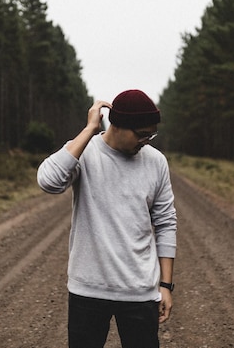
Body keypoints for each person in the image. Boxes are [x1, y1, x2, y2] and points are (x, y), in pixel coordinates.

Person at [37, 89, 177, 348]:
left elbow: (166, 222)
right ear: (118, 125)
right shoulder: (85, 153)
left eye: (151, 134)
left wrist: (165, 285)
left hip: (140, 292)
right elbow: (49, 182)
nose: (146, 141)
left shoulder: (156, 162)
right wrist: (90, 129)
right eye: (142, 134)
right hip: (88, 291)